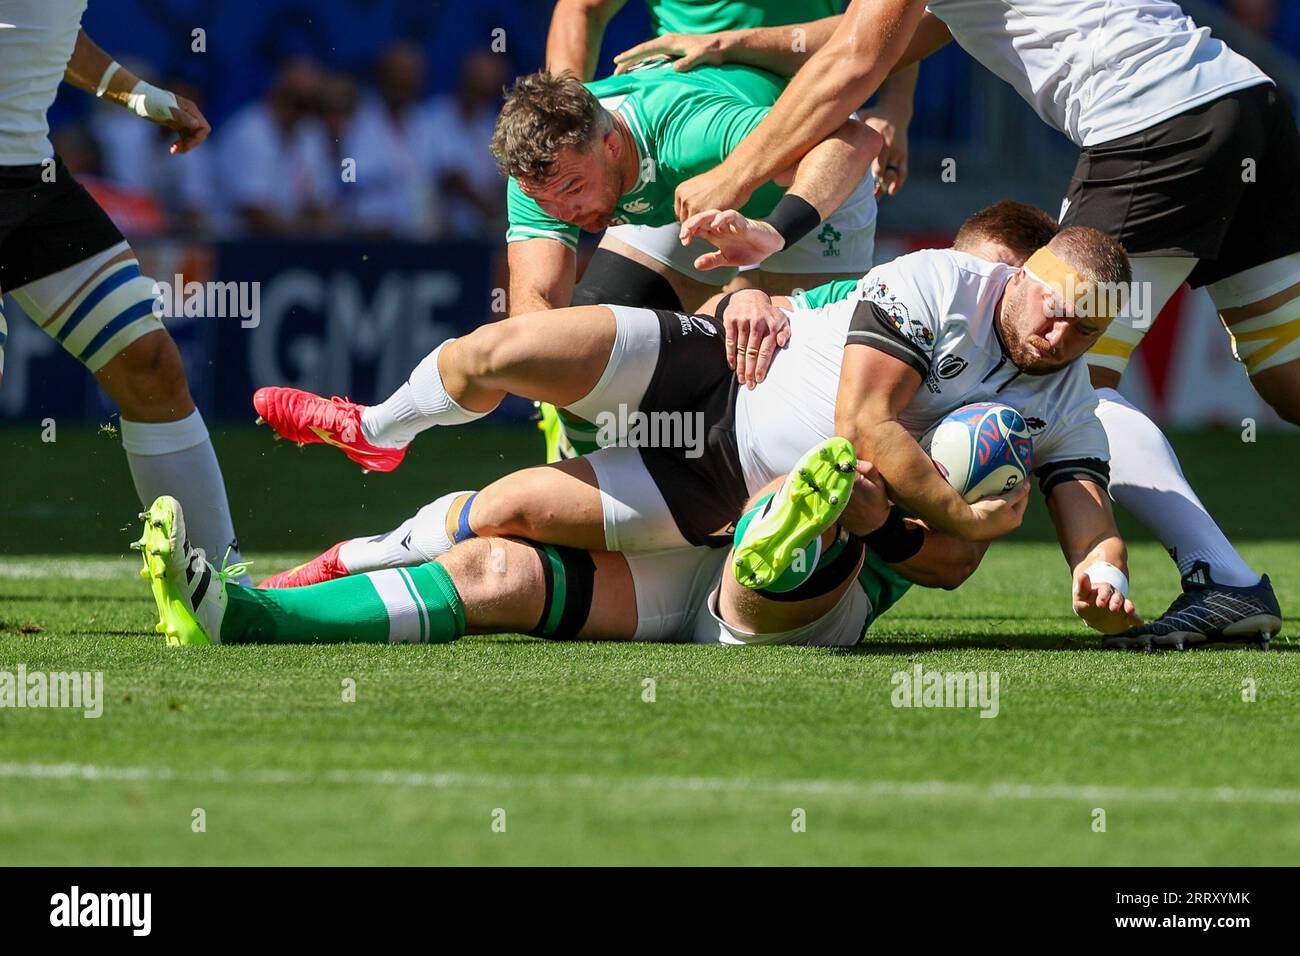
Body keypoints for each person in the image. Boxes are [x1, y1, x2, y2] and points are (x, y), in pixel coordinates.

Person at [613, 0, 1295, 648]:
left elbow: (858, 54)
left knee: (1072, 380)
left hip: (1150, 123)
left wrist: (736, 175)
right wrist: (731, 44)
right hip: (1244, 99)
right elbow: (903, 34)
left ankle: (1224, 577)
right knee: (1287, 372)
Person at [0, 0, 246, 579]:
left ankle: (223, 588)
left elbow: (44, 30)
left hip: (30, 179)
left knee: (149, 365)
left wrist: (138, 94)